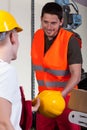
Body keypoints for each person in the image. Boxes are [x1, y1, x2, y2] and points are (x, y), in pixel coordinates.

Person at [31, 2, 83, 130]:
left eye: (53, 23)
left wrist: (60, 96)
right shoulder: (37, 36)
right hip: (44, 99)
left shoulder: (70, 40)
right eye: (45, 22)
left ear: (61, 21)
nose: (48, 27)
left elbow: (76, 75)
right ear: (41, 20)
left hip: (66, 99)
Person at [0, 10, 40, 130]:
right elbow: (3, 124)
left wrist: (28, 108)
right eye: (17, 35)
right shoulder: (6, 71)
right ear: (12, 37)